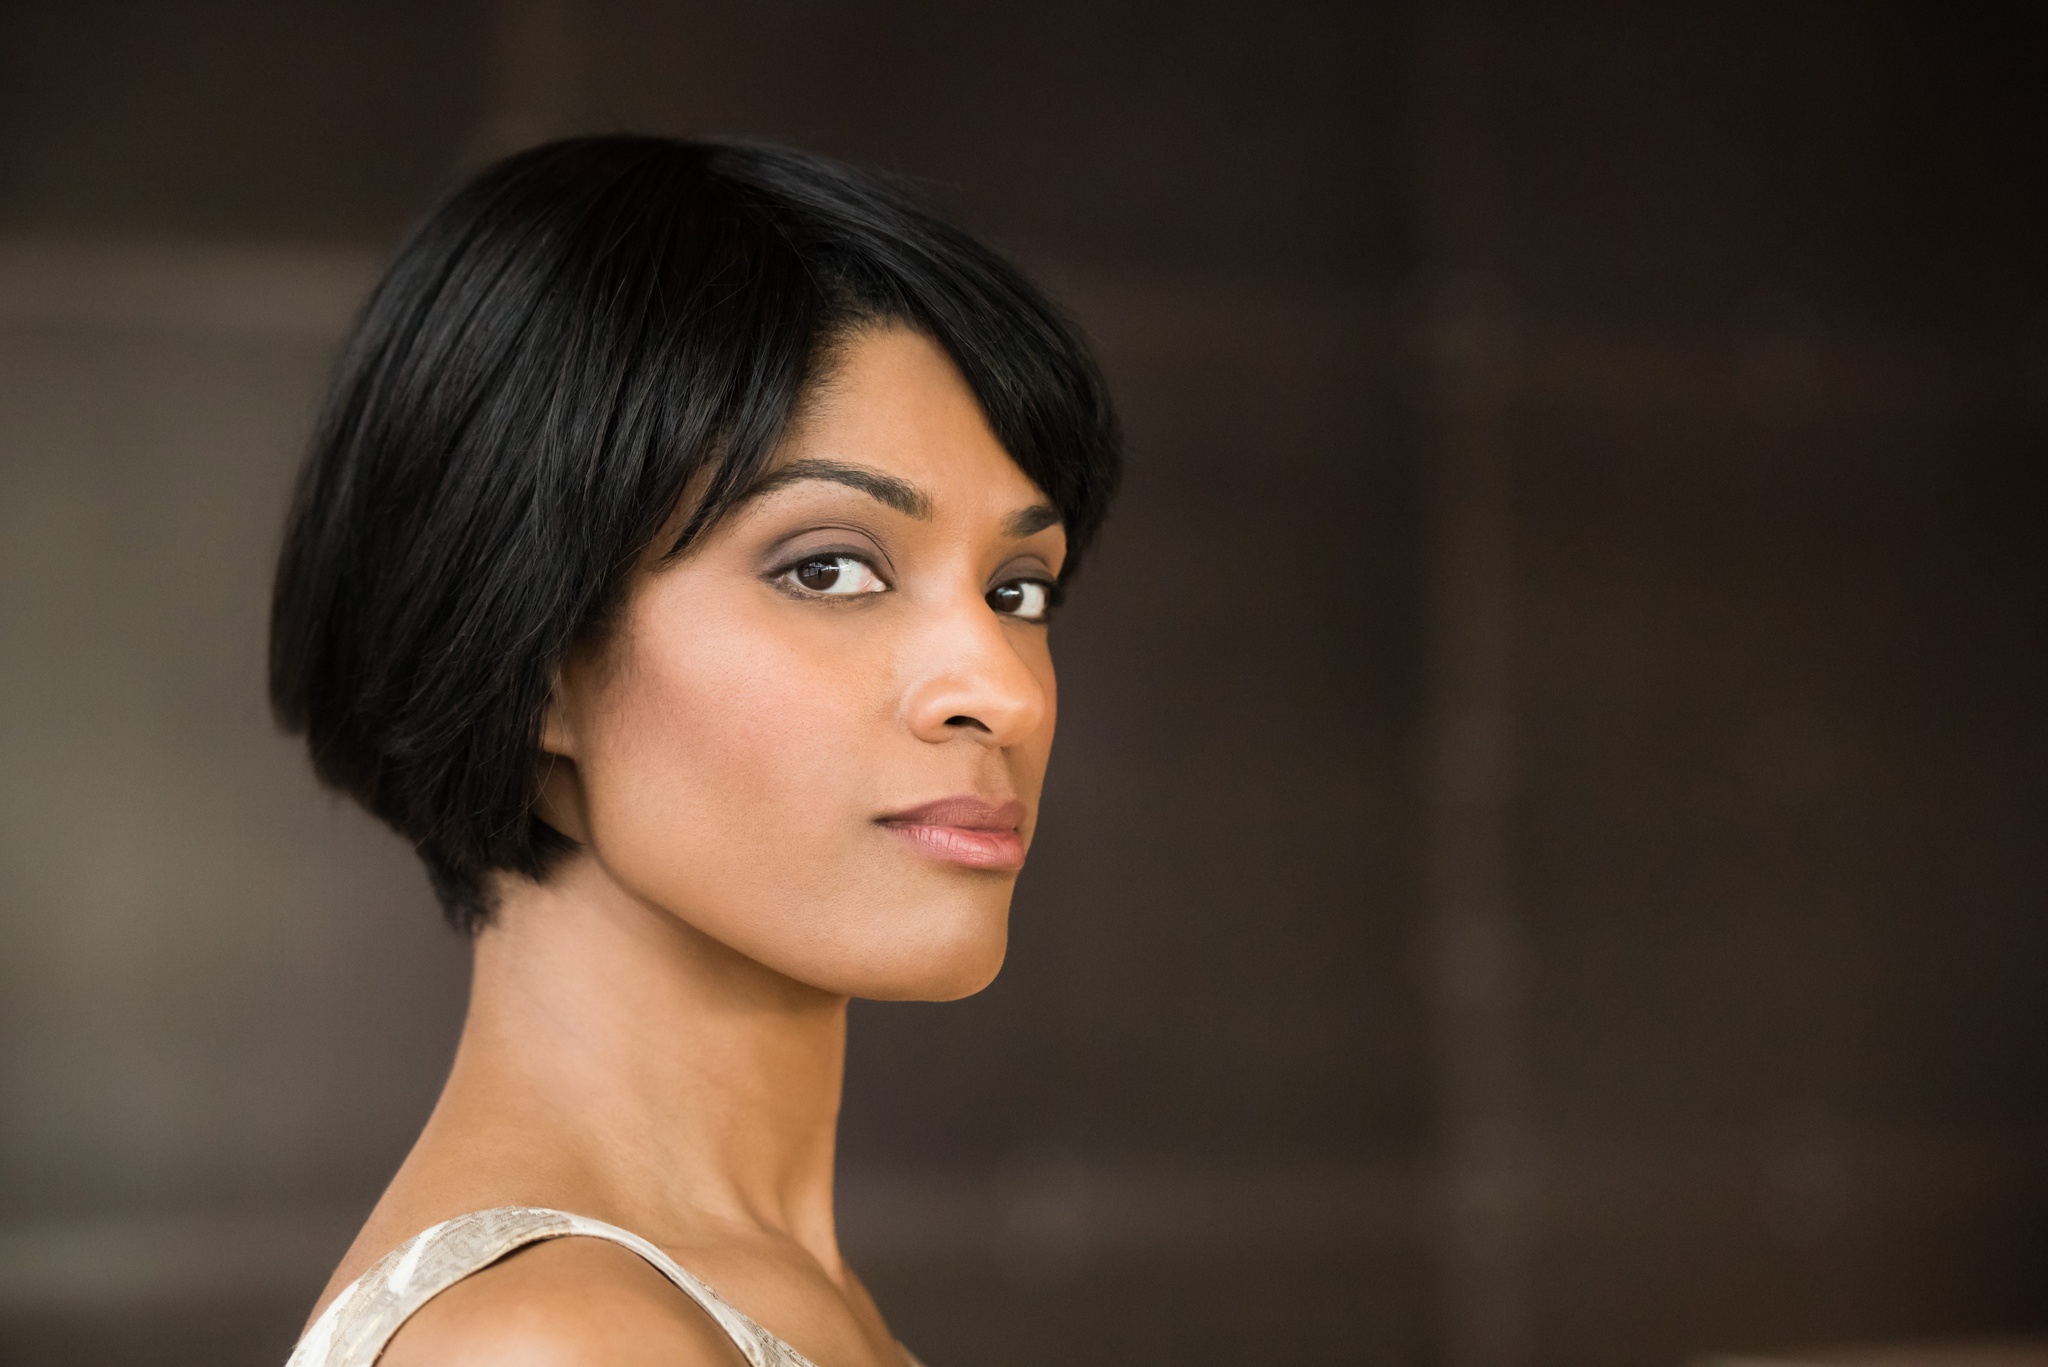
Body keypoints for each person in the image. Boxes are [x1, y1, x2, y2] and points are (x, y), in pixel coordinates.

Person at [268, 135, 1119, 1366]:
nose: (1002, 690)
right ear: (533, 650)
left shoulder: (735, 1294)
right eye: (829, 567)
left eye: (1017, 588)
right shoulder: (554, 1343)